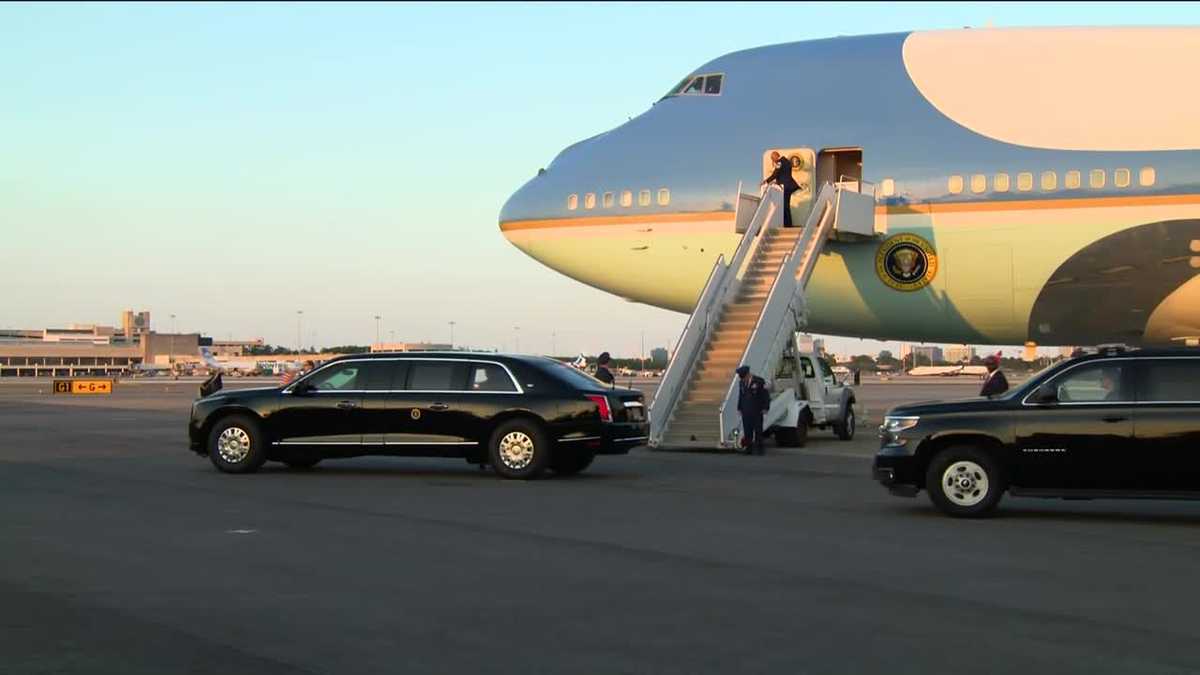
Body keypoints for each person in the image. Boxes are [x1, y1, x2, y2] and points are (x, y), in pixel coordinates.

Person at [760, 151, 801, 227]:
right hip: (789, 186)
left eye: (772, 158)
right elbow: (784, 174)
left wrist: (766, 181)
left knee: (784, 206)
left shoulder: (779, 162)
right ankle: (788, 224)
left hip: (785, 187)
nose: (772, 160)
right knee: (786, 205)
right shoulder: (787, 161)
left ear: (776, 156)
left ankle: (787, 225)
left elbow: (775, 174)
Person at [736, 365, 771, 455]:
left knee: (758, 430)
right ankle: (749, 448)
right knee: (747, 430)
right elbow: (741, 396)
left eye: (744, 377)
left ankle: (760, 449)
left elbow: (765, 395)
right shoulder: (741, 382)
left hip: (757, 410)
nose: (743, 379)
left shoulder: (759, 381)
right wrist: (739, 408)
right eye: (742, 378)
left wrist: (766, 407)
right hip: (746, 410)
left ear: (748, 374)